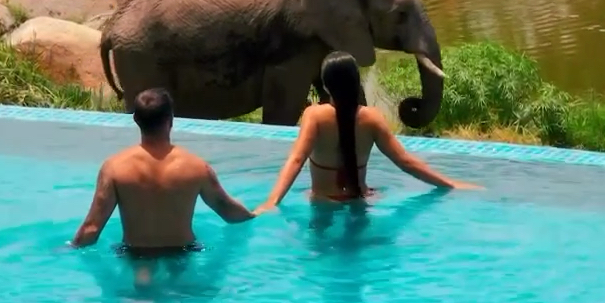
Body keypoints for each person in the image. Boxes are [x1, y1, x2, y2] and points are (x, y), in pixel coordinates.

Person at [256, 51, 480, 211]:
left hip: (323, 204)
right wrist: (451, 184)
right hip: (361, 201)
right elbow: (406, 162)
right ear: (357, 83)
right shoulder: (372, 118)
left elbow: (296, 160)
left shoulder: (314, 116)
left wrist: (272, 200)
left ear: (325, 86)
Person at [71, 87, 254, 255]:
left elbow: (92, 228)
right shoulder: (196, 167)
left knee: (141, 279)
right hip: (183, 252)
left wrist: (69, 248)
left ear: (135, 119)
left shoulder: (114, 168)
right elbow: (227, 209)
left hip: (136, 254)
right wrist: (256, 214)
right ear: (171, 119)